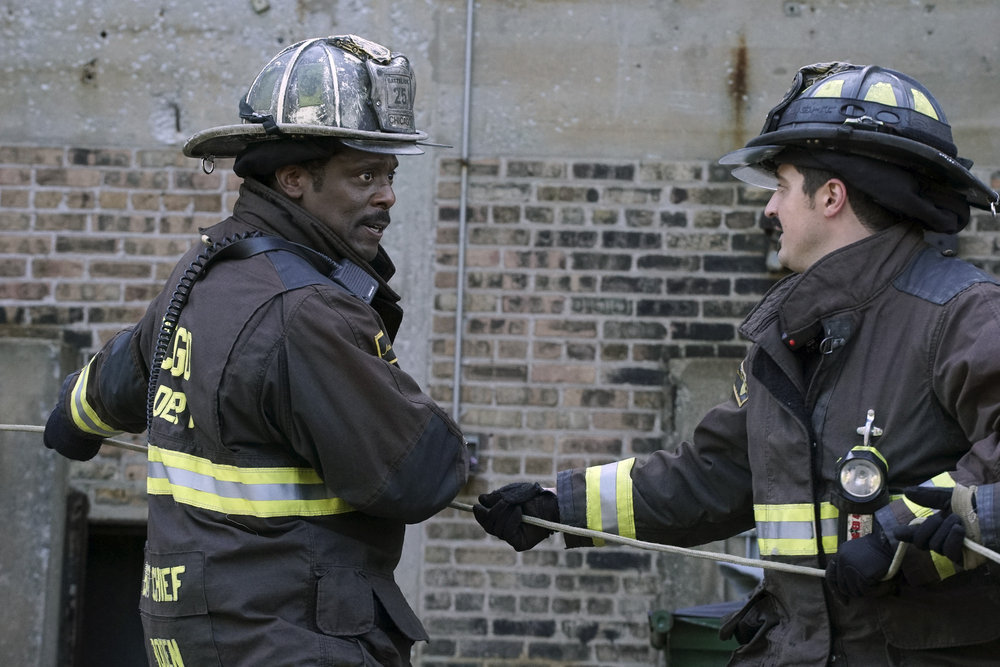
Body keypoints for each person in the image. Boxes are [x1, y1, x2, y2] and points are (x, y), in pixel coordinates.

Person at [473, 62, 1000, 665]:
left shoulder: (962, 315)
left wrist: (901, 533)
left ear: (831, 196)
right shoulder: (792, 334)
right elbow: (713, 472)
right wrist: (557, 505)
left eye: (781, 185)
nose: (769, 209)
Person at [42, 34, 469, 666]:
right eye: (364, 175)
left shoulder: (208, 271)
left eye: (388, 174)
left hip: (196, 633)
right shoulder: (307, 311)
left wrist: (73, 421)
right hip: (291, 639)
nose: (387, 196)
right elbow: (418, 475)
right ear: (294, 178)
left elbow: (123, 375)